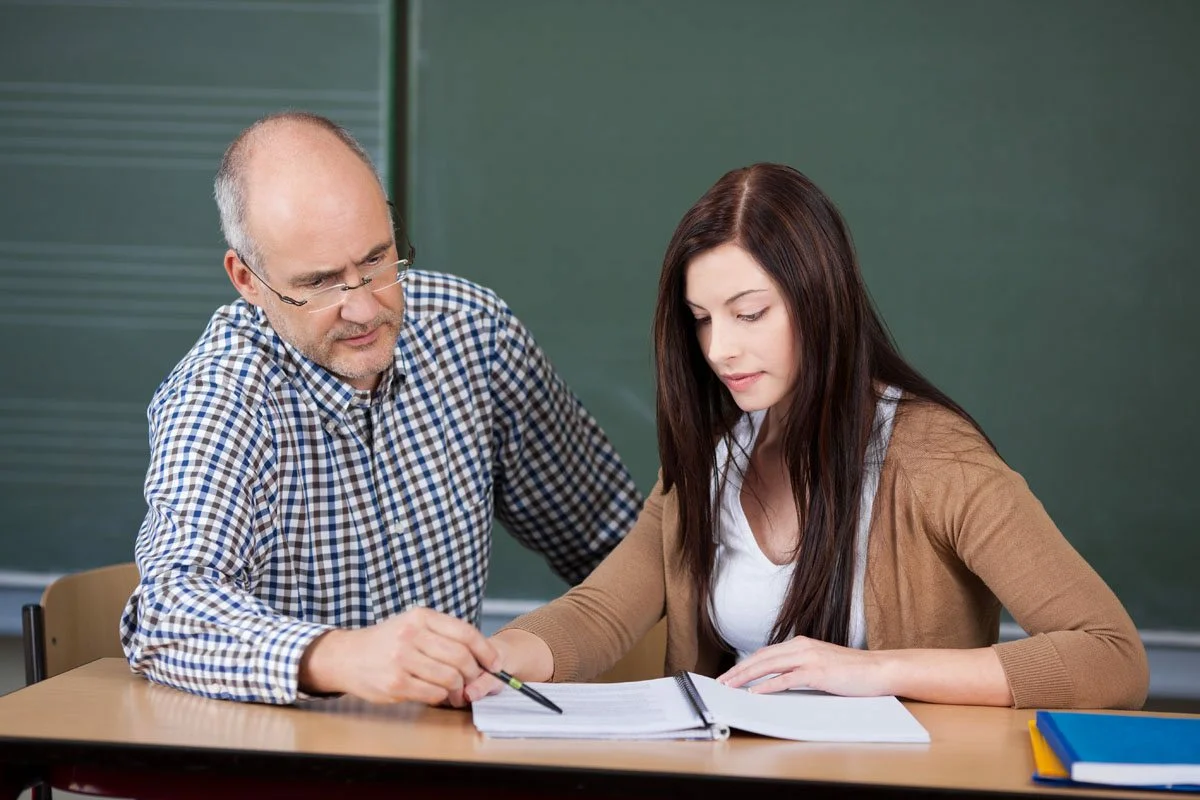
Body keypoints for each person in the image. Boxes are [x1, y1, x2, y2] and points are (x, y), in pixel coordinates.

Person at [464, 163, 1149, 710]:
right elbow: (601, 611)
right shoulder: (714, 458)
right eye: (701, 319)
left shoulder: (936, 461)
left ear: (820, 299)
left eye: (750, 312)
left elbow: (1112, 656)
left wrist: (874, 672)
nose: (720, 349)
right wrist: (498, 659)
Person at [119, 112, 642, 706]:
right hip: (291, 764)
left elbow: (618, 542)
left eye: (376, 261)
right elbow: (165, 615)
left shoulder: (471, 333)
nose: (365, 309)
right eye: (319, 283)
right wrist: (338, 655)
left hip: (451, 754)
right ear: (248, 279)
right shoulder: (221, 396)